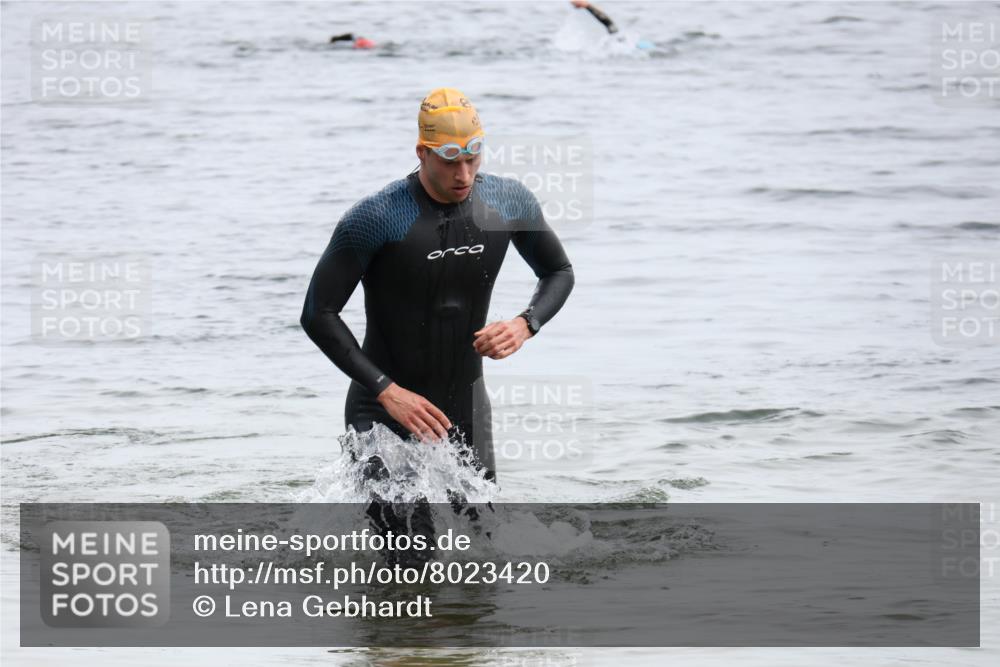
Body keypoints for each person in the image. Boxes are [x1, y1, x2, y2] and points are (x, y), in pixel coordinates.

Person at [300, 88, 574, 560]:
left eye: (472, 158)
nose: (463, 174)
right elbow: (317, 313)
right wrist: (388, 390)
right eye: (450, 161)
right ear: (422, 152)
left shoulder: (506, 202)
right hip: (382, 414)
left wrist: (526, 323)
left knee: (485, 555)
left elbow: (559, 272)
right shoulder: (377, 218)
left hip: (466, 407)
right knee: (411, 559)